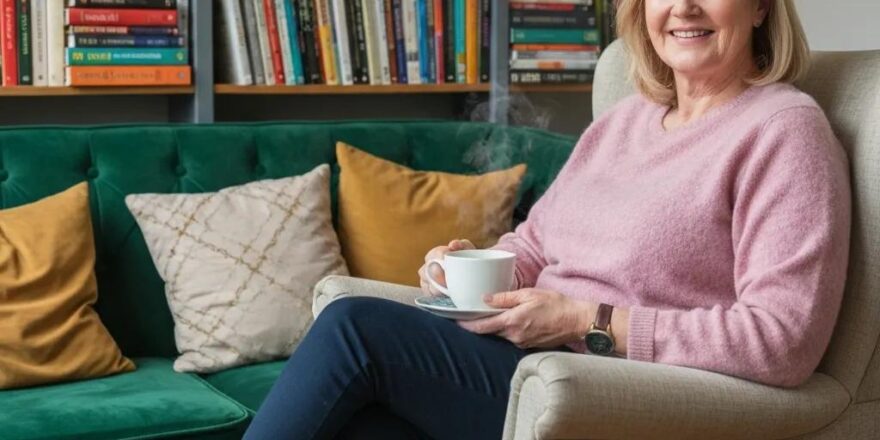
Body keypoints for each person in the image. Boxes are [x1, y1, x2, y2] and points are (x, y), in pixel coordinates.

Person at [243, 0, 852, 438]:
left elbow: (782, 340)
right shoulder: (626, 120)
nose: (684, 8)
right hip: (529, 362)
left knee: (355, 328)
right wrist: (470, 271)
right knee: (365, 423)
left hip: (605, 383)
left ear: (763, 8)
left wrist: (588, 321)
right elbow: (534, 242)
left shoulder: (782, 131)